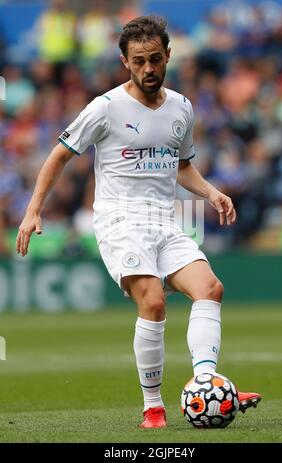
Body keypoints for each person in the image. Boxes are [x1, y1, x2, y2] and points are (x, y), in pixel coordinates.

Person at [16, 16, 261, 429]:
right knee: (154, 301)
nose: (148, 69)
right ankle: (153, 408)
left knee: (210, 288)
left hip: (165, 220)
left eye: (155, 60)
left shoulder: (182, 107)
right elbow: (59, 155)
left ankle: (205, 384)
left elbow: (181, 166)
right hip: (119, 220)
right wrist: (33, 208)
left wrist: (211, 192)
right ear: (124, 62)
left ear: (168, 56)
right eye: (139, 61)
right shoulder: (106, 107)